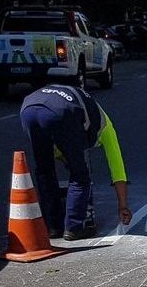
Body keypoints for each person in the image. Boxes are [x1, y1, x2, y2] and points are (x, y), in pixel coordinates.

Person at [19, 84, 131, 241]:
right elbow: (117, 169)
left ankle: (53, 226)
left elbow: (57, 150)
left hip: (28, 109)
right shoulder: (105, 127)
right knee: (80, 175)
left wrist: (68, 159)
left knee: (44, 170)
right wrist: (123, 205)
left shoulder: (86, 113)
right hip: (60, 111)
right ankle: (74, 227)